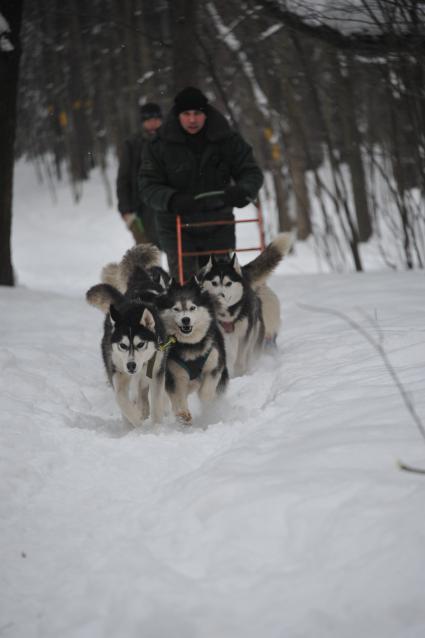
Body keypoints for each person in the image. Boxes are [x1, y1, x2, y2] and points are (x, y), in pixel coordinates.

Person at [139, 87, 263, 278]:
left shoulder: (227, 139)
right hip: (177, 225)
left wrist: (243, 190)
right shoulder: (159, 145)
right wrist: (171, 199)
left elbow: (250, 171)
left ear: (206, 114)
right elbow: (148, 186)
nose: (192, 120)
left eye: (197, 113)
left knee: (221, 287)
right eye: (186, 114)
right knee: (186, 291)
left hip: (218, 222)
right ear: (177, 115)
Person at [116, 102, 162, 246]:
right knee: (147, 256)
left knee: (176, 253)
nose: (153, 123)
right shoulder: (132, 144)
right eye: (149, 120)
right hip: (140, 208)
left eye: (156, 119)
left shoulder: (171, 140)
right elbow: (123, 178)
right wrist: (125, 209)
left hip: (166, 205)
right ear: (143, 122)